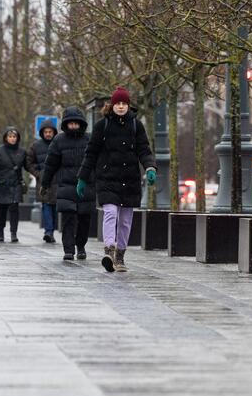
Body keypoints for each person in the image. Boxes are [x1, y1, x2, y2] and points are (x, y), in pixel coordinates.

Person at [77, 87, 156, 272]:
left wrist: (150, 167)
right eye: (118, 103)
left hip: (130, 179)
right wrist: (82, 177)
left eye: (124, 104)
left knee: (126, 220)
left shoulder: (137, 126)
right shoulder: (101, 126)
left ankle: (120, 255)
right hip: (107, 177)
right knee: (111, 212)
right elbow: (91, 153)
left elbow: (144, 150)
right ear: (111, 105)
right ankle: (109, 249)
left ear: (128, 106)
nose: (121, 107)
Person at [41, 107, 95, 260]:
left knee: (85, 220)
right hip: (66, 186)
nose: (73, 126)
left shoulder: (89, 139)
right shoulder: (59, 140)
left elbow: (96, 161)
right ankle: (69, 250)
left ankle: (81, 246)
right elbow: (50, 164)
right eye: (70, 124)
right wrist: (45, 184)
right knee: (68, 220)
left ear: (81, 124)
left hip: (86, 186)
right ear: (65, 124)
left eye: (75, 123)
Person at [0, 126, 27, 243]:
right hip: (2, 184)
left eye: (14, 136)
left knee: (15, 209)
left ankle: (13, 233)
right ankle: (0, 231)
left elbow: (29, 165)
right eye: (10, 136)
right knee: (2, 209)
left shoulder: (22, 152)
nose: (12, 138)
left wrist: (40, 174)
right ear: (5, 138)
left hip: (15, 184)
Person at [26, 119, 58, 243]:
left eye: (50, 131)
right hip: (43, 181)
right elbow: (29, 162)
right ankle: (48, 231)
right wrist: (37, 174)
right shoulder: (35, 146)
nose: (48, 134)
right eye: (46, 132)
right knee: (46, 206)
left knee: (54, 207)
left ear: (54, 132)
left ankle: (51, 231)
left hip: (56, 181)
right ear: (42, 133)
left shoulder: (58, 143)